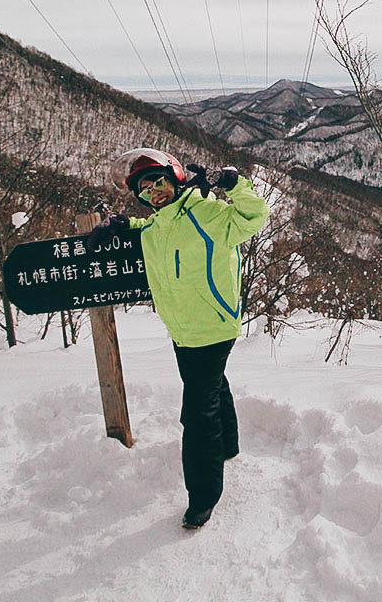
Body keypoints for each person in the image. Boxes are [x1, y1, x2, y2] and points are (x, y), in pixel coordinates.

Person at [88, 148, 270, 530]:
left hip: (212, 326)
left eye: (158, 181)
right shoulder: (157, 223)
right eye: (144, 190)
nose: (153, 192)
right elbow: (154, 231)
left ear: (174, 176)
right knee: (211, 386)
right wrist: (123, 226)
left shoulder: (205, 211)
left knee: (198, 413)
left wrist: (234, 184)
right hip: (183, 327)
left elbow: (253, 216)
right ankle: (230, 445)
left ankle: (203, 497)